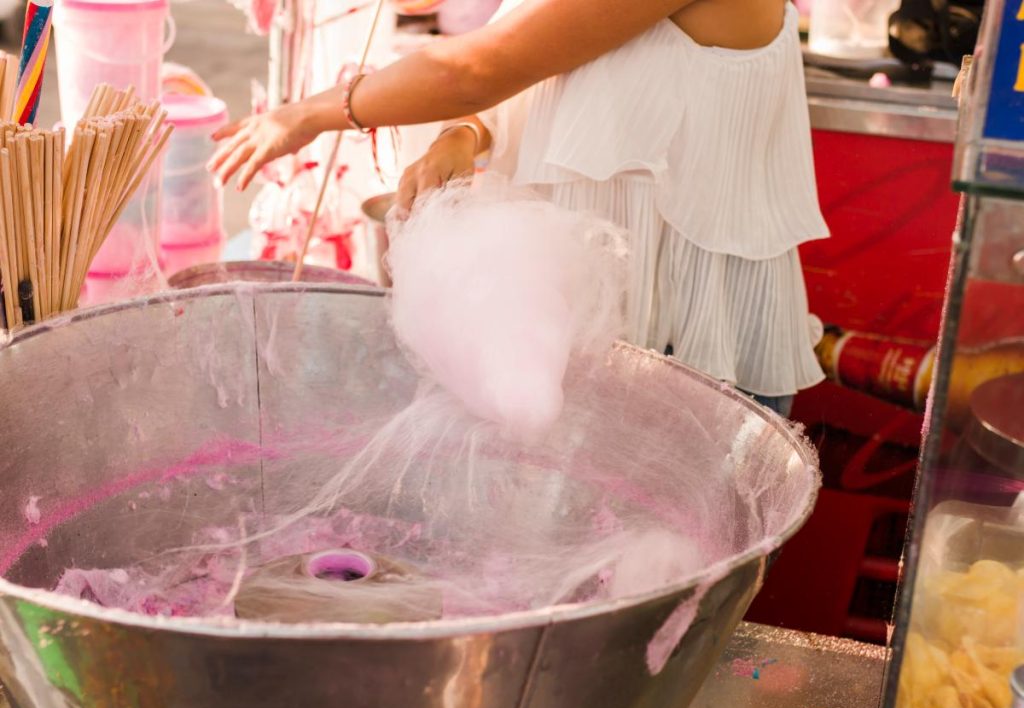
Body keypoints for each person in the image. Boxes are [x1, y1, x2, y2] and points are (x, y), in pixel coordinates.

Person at [210, 0, 829, 417]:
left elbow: (481, 68)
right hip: (584, 330)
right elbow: (546, 66)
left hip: (684, 344)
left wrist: (311, 113)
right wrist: (466, 135)